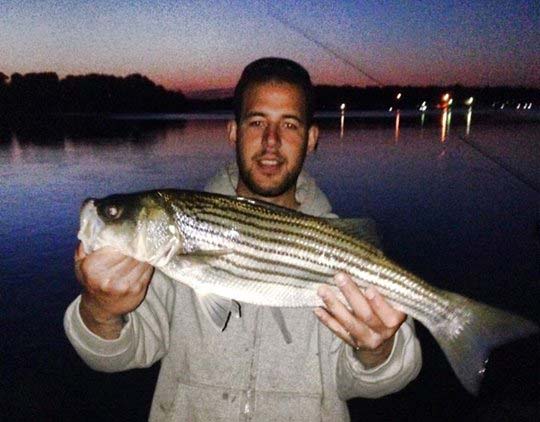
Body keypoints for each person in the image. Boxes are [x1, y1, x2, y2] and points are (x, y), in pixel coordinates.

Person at [64, 57, 421, 421]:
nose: (271, 141)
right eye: (257, 122)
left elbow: (379, 380)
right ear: (233, 131)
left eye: (289, 124)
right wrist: (100, 310)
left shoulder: (338, 245)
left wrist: (378, 349)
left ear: (312, 138)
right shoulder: (157, 261)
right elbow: (115, 356)